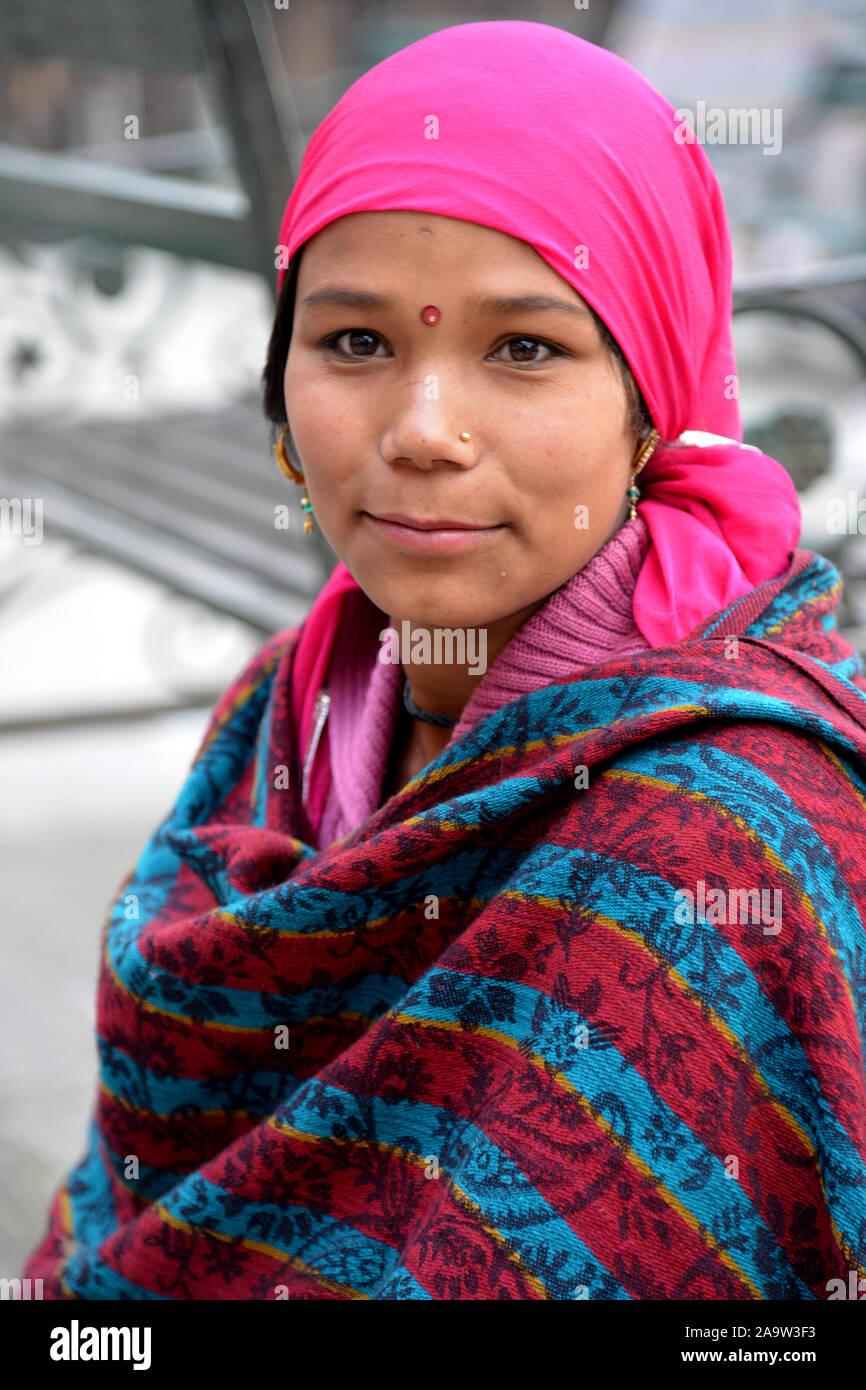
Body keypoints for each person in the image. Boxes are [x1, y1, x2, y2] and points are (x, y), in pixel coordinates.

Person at [23, 20, 866, 1300]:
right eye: (355, 343)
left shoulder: (723, 837)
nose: (421, 432)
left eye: (524, 348)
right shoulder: (286, 703)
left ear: (651, 398)